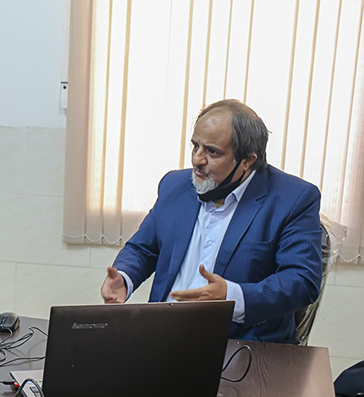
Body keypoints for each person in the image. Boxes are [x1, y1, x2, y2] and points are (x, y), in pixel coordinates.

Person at [101, 99, 322, 343]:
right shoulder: (175, 185)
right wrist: (124, 277)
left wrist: (232, 295)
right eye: (195, 146)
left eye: (212, 152)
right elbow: (143, 248)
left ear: (247, 160)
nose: (197, 160)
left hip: (240, 344)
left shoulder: (293, 198)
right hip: (162, 336)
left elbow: (302, 280)